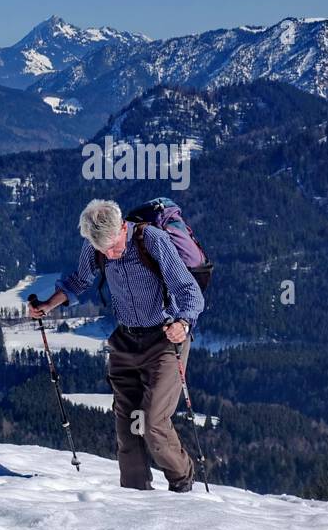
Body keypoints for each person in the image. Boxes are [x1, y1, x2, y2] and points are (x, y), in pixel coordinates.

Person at [29, 199, 204, 491]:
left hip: (164, 340)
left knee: (152, 422)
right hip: (125, 341)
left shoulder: (152, 241)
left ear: (123, 226)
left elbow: (189, 290)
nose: (110, 254)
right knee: (127, 425)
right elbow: (78, 281)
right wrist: (47, 305)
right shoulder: (95, 246)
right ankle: (134, 496)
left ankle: (182, 484)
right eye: (103, 251)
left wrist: (183, 323)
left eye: (113, 246)